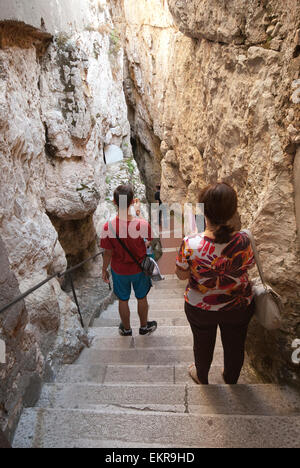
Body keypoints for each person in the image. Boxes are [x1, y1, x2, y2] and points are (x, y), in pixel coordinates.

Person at [176, 182, 256, 385]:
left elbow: (181, 275)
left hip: (200, 306)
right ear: (233, 211)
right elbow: (248, 265)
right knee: (235, 345)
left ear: (204, 211)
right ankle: (231, 378)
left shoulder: (190, 243)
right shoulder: (244, 240)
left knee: (202, 344)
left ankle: (201, 375)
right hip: (238, 304)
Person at [100, 185, 157, 336]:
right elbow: (148, 241)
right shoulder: (142, 224)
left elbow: (107, 252)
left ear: (114, 202)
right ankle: (144, 327)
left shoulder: (108, 227)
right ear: (132, 201)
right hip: (139, 268)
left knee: (123, 299)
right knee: (141, 297)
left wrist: (104, 269)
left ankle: (126, 329)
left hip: (119, 270)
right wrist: (138, 214)